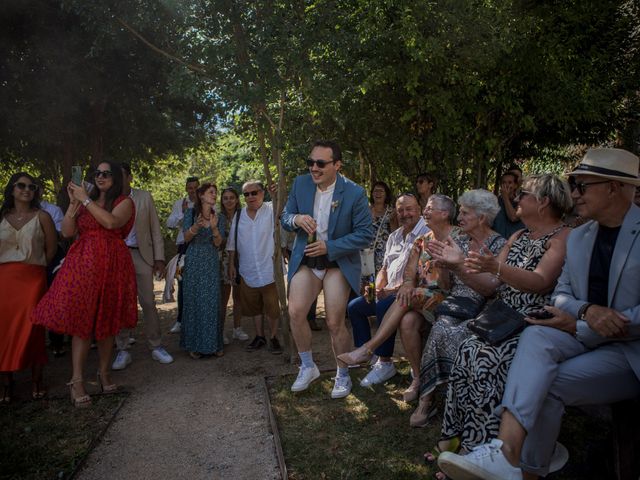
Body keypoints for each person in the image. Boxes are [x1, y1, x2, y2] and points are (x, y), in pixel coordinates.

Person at [438, 148, 640, 480]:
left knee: (541, 379)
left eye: (582, 185)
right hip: (577, 332)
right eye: (573, 184)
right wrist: (587, 311)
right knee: (534, 337)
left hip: (628, 352)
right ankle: (504, 455)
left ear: (613, 188)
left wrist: (584, 321)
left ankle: (519, 465)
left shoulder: (568, 236)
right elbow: (562, 294)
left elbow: (544, 284)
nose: (574, 192)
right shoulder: (582, 236)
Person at [426, 174, 572, 477]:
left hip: (531, 322)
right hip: (499, 316)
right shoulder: (518, 237)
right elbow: (491, 285)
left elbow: (541, 280)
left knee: (485, 359)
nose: (516, 199)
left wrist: (498, 267)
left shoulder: (562, 237)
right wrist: (457, 265)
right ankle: (460, 445)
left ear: (543, 202)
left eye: (524, 194)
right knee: (466, 349)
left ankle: (487, 453)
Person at [32, 161, 137, 407]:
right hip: (83, 265)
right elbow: (67, 232)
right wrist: (73, 203)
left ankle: (104, 373)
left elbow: (111, 223)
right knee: (82, 320)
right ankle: (76, 380)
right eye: (97, 173)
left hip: (112, 264)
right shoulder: (83, 200)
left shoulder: (124, 201)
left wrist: (86, 200)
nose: (100, 177)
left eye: (106, 173)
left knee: (107, 320)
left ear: (116, 178)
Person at [281, 140, 373, 399]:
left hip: (337, 262)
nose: (314, 168)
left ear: (337, 165)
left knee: (334, 321)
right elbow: (285, 218)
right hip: (307, 260)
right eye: (311, 162)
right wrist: (296, 219)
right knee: (296, 312)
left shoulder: (354, 193)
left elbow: (365, 234)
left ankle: (343, 373)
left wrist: (329, 247)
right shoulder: (300, 184)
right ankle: (308, 366)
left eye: (321, 163)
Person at [408, 191, 506, 426]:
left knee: (461, 334)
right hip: (455, 301)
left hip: (486, 306)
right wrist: (442, 267)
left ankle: (463, 401)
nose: (458, 216)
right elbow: (445, 285)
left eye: (464, 213)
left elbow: (491, 290)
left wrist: (459, 265)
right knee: (442, 327)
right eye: (459, 211)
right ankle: (427, 400)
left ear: (481, 218)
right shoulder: (458, 240)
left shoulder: (499, 244)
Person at [343, 193, 429, 389]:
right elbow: (384, 268)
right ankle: (370, 355)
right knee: (355, 307)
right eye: (400, 210)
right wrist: (377, 288)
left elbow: (421, 276)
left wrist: (390, 291)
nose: (405, 214)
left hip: (409, 292)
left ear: (419, 210)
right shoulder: (395, 235)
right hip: (389, 290)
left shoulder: (426, 233)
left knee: (383, 305)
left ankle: (385, 362)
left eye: (409, 209)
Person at [0, 173, 57, 403]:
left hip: (33, 278)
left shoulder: (42, 216)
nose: (27, 190)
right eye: (21, 185)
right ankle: (6, 382)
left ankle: (36, 378)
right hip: (4, 280)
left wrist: (38, 269)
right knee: (3, 330)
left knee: (33, 328)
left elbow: (52, 248)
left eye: (31, 187)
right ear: (11, 189)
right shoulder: (1, 216)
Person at [112, 163, 173, 370]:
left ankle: (156, 345)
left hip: (141, 254)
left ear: (129, 177)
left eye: (121, 176)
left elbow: (155, 229)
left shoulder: (144, 197)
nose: (118, 180)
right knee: (120, 303)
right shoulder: (106, 198)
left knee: (148, 302)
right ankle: (122, 349)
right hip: (116, 257)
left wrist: (159, 258)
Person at [227, 180, 283, 354]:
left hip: (270, 269)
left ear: (262, 192)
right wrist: (231, 264)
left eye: (254, 192)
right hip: (247, 269)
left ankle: (273, 337)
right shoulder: (239, 215)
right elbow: (232, 243)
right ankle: (260, 336)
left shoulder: (272, 209)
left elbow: (285, 210)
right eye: (246, 194)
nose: (250, 197)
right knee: (253, 307)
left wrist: (277, 194)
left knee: (273, 307)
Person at [181, 182, 226, 358]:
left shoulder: (219, 218)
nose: (214, 195)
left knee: (212, 301)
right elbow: (185, 238)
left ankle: (214, 344)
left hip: (210, 260)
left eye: (215, 193)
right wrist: (196, 227)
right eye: (211, 192)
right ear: (201, 195)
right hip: (194, 260)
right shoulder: (190, 213)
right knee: (194, 301)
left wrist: (214, 228)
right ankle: (194, 344)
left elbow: (218, 243)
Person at [166, 176, 199, 334]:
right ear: (186, 188)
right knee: (181, 281)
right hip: (182, 249)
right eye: (190, 188)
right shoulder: (179, 204)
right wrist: (183, 214)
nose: (193, 191)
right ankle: (180, 320)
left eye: (195, 188)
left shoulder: (204, 204)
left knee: (198, 284)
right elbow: (169, 223)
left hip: (200, 248)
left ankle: (196, 319)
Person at [219, 187, 249, 343]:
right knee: (223, 298)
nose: (229, 200)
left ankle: (237, 328)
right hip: (222, 260)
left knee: (238, 297)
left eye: (231, 197)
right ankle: (221, 331)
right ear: (222, 201)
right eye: (225, 198)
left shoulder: (243, 215)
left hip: (240, 259)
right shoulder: (218, 218)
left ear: (237, 199)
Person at [365, 181, 398, 280]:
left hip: (383, 254)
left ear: (386, 194)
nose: (378, 193)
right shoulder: (365, 211)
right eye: (375, 191)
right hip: (366, 253)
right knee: (365, 283)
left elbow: (395, 235)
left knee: (380, 282)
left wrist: (392, 221)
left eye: (381, 191)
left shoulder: (392, 212)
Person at [493, 172, 525, 238]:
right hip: (499, 241)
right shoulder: (494, 202)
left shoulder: (521, 201)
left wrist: (505, 197)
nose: (506, 185)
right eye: (504, 183)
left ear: (515, 185)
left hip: (516, 242)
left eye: (510, 183)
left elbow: (513, 217)